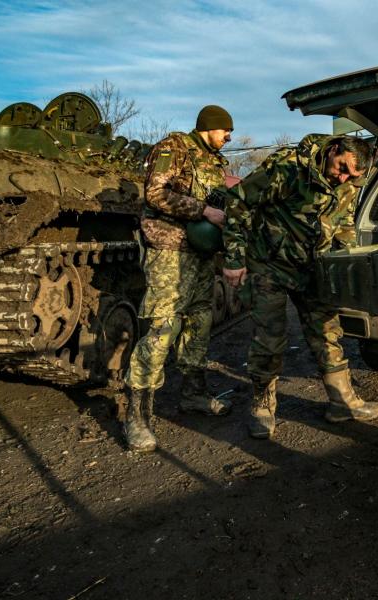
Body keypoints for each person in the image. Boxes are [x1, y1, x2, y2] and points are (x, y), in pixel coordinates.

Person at [221, 134, 378, 439]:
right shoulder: (288, 168)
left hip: (313, 268)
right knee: (269, 337)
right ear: (334, 150)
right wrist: (233, 256)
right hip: (269, 264)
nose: (344, 178)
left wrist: (343, 263)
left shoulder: (349, 182)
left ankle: (342, 402)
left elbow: (345, 222)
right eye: (342, 168)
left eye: (353, 175)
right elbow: (238, 200)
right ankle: (262, 405)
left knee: (327, 331)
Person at [122, 105, 236, 453]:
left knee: (200, 320)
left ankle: (194, 395)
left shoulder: (215, 163)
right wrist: (203, 210)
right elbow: (155, 194)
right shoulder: (173, 148)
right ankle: (137, 416)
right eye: (225, 131)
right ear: (209, 127)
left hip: (201, 253)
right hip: (170, 249)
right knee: (162, 325)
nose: (229, 137)